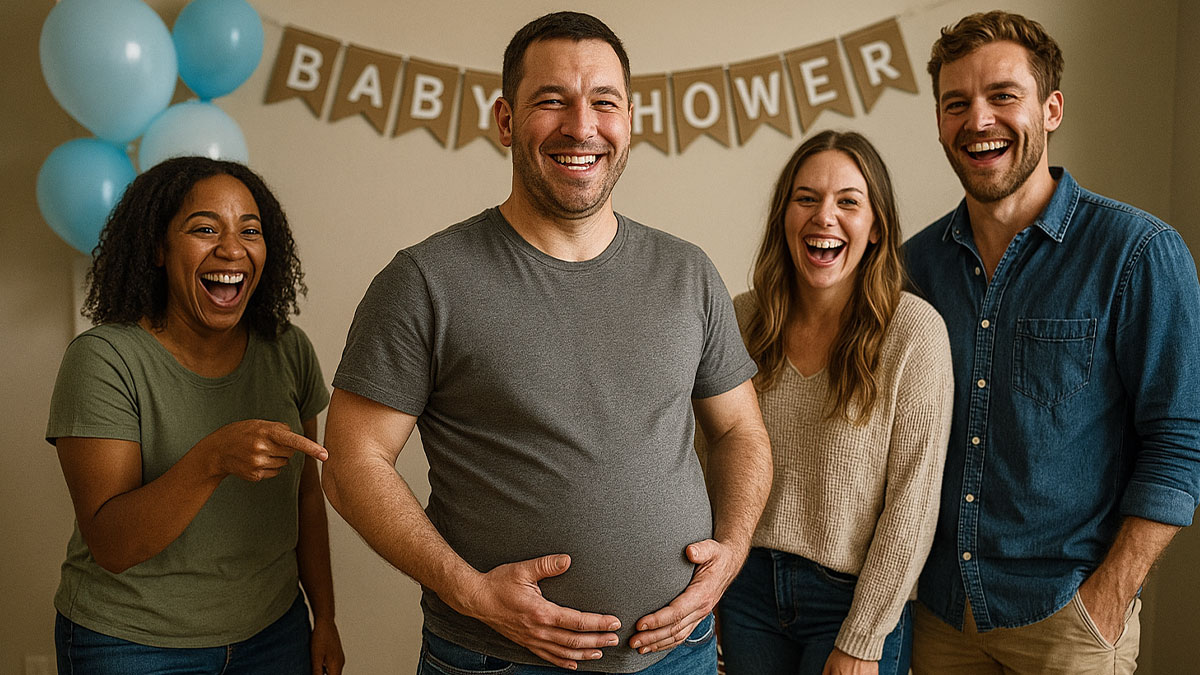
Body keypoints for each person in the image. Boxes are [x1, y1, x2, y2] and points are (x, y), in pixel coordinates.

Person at [320, 10, 772, 675]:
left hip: (680, 655)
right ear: (505, 120)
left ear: (630, 120)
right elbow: (351, 461)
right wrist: (469, 590)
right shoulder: (425, 280)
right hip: (497, 659)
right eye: (552, 100)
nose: (582, 127)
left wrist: (731, 552)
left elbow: (740, 431)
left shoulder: (688, 272)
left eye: (604, 102)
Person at [904, 10, 1200, 674]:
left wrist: (1110, 597)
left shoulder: (1138, 253)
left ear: (1052, 109)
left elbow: (1180, 439)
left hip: (1069, 622)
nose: (978, 120)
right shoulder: (913, 268)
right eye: (957, 103)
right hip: (940, 619)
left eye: (1002, 95)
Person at [47, 157, 344, 675]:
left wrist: (325, 618)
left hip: (275, 632)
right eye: (205, 229)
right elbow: (112, 545)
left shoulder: (287, 348)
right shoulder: (104, 360)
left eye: (249, 230)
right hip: (131, 644)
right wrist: (213, 458)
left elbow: (305, 496)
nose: (232, 249)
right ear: (158, 249)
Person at [712, 131, 952, 675]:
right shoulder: (742, 320)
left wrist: (864, 637)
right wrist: (714, 588)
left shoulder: (914, 334)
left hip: (853, 600)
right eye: (806, 198)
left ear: (875, 228)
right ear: (784, 217)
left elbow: (913, 503)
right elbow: (708, 464)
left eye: (848, 201)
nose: (825, 216)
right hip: (747, 592)